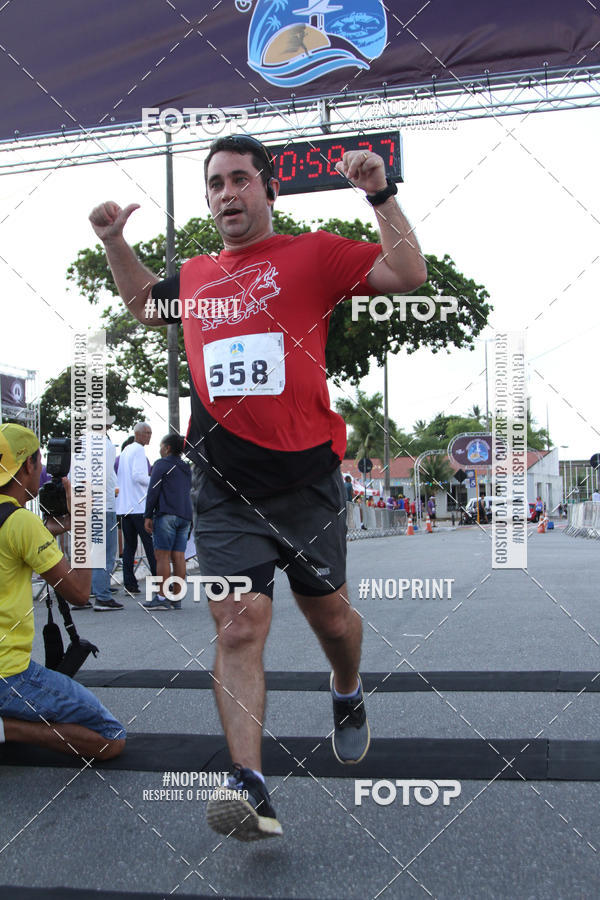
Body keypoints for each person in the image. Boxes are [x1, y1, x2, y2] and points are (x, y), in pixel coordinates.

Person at [89, 133, 426, 840]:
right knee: (239, 623)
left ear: (269, 190)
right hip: (223, 485)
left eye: (240, 180)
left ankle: (347, 688)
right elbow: (146, 306)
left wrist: (380, 194)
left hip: (306, 480)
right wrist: (115, 241)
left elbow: (407, 275)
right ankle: (249, 786)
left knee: (332, 622)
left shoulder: (314, 252)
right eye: (215, 184)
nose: (226, 194)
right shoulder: (197, 273)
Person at [0, 424, 126, 758]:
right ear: (28, 465)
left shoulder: (19, 523)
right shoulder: (20, 522)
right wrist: (82, 522)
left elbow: (15, 545)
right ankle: (5, 728)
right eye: (39, 463)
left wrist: (54, 528)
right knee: (110, 737)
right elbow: (80, 593)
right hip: (6, 673)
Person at [143, 433, 193, 611]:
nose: (159, 449)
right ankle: (176, 598)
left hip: (166, 514)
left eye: (161, 445)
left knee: (162, 556)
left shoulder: (161, 464)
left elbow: (153, 490)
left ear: (167, 448)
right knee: (179, 556)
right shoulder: (186, 467)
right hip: (185, 515)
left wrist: (148, 515)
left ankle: (162, 597)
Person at [116, 422, 157, 594]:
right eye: (147, 433)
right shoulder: (139, 450)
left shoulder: (125, 451)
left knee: (129, 547)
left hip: (125, 507)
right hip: (139, 506)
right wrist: (155, 481)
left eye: (150, 433)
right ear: (138, 434)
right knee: (150, 545)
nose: (149, 436)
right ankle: (160, 581)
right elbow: (138, 476)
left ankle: (130, 583)